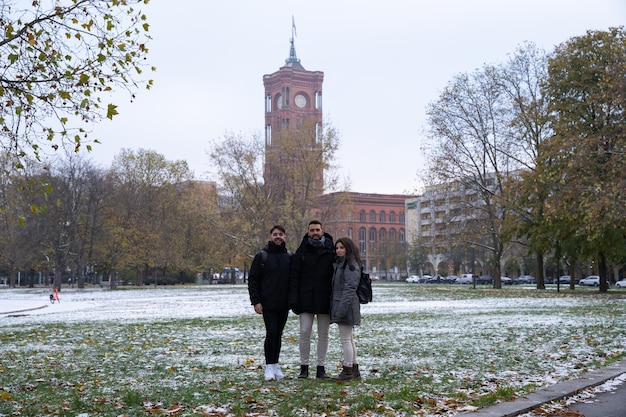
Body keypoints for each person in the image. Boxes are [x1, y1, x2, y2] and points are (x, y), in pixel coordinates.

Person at [289, 220, 335, 379]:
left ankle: (321, 368)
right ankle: (304, 368)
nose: (315, 233)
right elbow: (294, 277)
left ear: (322, 231)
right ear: (308, 232)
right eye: (312, 230)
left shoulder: (331, 250)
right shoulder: (301, 252)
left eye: (317, 230)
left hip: (324, 299)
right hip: (305, 299)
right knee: (304, 332)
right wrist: (294, 299)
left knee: (324, 334)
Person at [248, 225, 292, 381]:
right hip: (268, 303)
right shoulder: (262, 256)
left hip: (284, 304)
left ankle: (276, 365)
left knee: (278, 335)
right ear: (270, 236)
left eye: (281, 234)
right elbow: (253, 280)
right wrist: (256, 301)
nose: (278, 237)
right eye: (275, 234)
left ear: (285, 237)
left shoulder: (288, 256)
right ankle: (268, 366)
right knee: (271, 332)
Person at [330, 237, 362, 381]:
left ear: (348, 249)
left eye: (341, 247)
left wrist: (340, 311)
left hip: (346, 307)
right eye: (337, 248)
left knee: (345, 339)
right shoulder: (342, 265)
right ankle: (354, 369)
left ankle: (347, 370)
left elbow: (349, 290)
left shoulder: (350, 266)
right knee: (349, 338)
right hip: (344, 305)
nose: (338, 250)